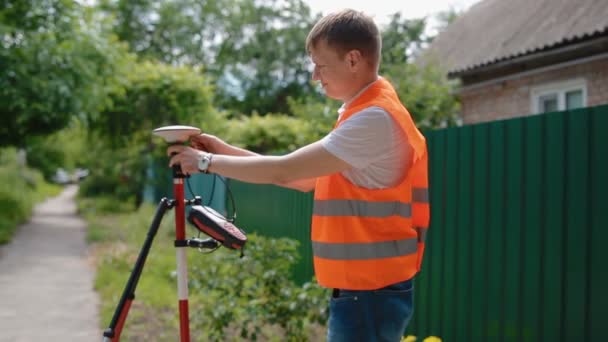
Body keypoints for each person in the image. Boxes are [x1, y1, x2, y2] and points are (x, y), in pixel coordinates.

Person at [168, 9, 430, 342]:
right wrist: (223, 151)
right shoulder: (365, 112)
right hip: (367, 289)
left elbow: (284, 170)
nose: (314, 77)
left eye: (321, 66)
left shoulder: (373, 120)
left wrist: (204, 162)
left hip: (370, 292)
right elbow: (299, 178)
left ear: (353, 59)